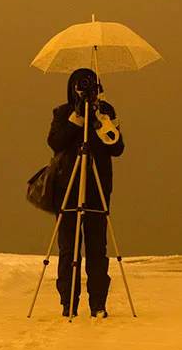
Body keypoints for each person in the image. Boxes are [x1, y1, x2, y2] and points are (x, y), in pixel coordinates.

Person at [47, 67, 125, 318]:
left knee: (96, 250)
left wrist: (102, 123)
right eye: (80, 86)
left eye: (90, 85)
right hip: (68, 188)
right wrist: (76, 120)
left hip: (98, 188)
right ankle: (68, 303)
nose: (84, 91)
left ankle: (98, 304)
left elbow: (117, 148)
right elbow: (55, 142)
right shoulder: (62, 112)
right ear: (72, 88)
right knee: (69, 250)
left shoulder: (106, 111)